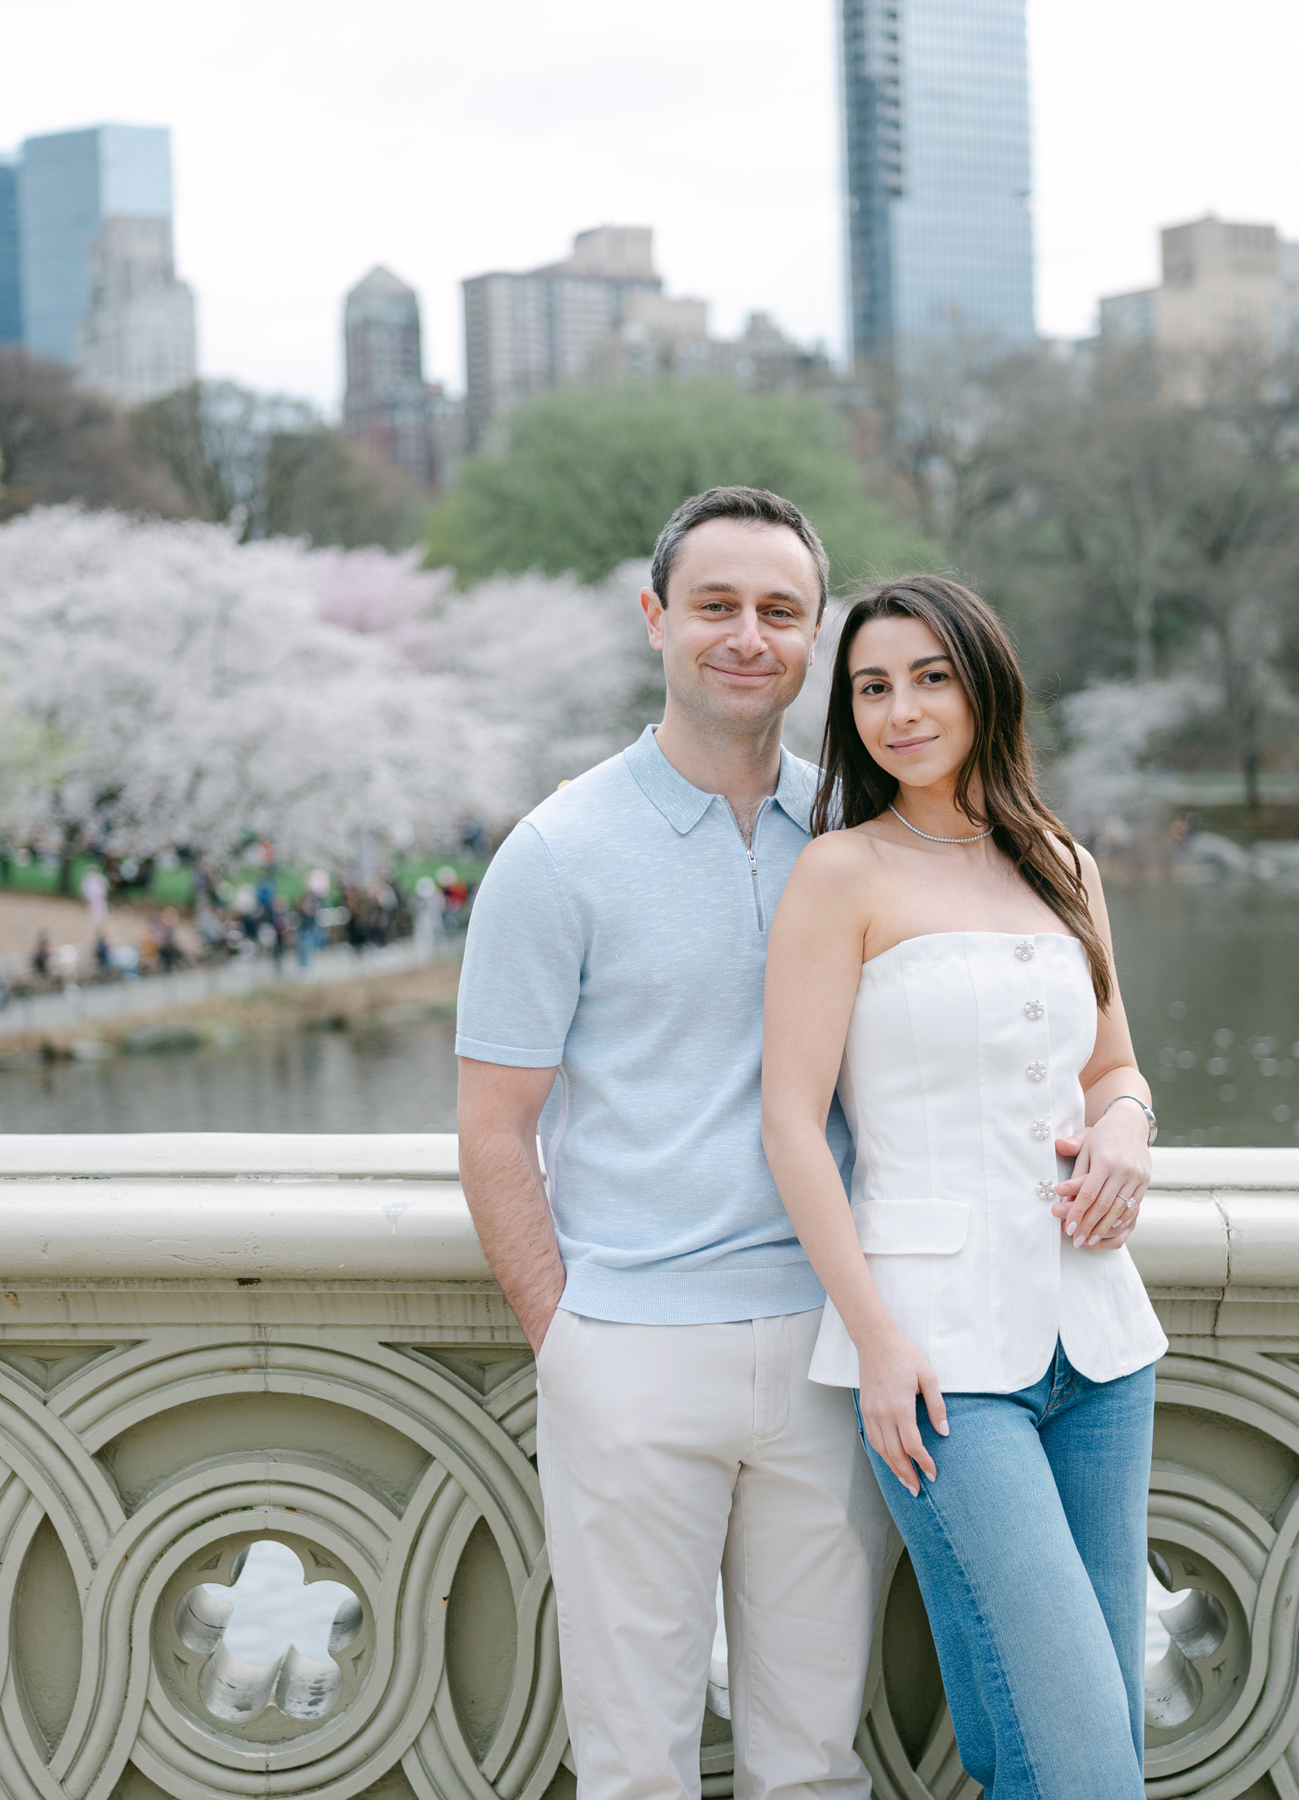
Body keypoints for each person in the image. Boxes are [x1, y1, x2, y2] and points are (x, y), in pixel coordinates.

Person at [456, 487, 891, 1800]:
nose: (747, 636)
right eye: (716, 605)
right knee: (635, 1765)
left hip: (831, 1356)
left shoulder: (860, 839)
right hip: (631, 1352)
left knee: (813, 1765)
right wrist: (570, 1341)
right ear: (656, 619)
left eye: (781, 611)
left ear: (814, 636)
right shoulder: (557, 851)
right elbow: (494, 1130)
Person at [760, 574, 1164, 1800]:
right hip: (938, 1364)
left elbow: (1114, 1067)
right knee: (1084, 1758)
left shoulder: (1062, 862)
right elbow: (790, 1122)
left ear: (986, 685)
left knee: (1052, 1736)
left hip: (1101, 1340)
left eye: (931, 678)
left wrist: (1130, 1127)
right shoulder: (841, 873)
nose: (902, 711)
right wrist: (877, 1342)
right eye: (872, 687)